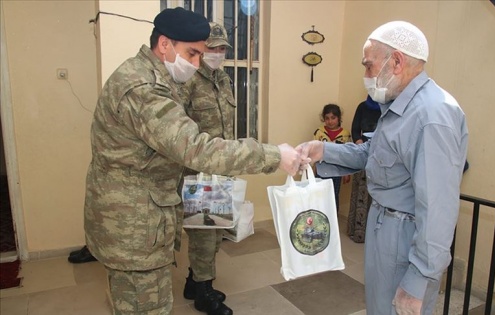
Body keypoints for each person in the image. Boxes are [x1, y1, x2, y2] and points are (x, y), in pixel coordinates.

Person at [83, 8, 300, 315]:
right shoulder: (144, 88)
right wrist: (274, 155)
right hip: (135, 221)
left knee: (210, 237)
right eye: (193, 53)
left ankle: (201, 283)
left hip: (150, 212)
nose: (197, 62)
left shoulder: (154, 76)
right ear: (164, 45)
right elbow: (194, 146)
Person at [297, 21, 468, 315]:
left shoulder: (432, 115)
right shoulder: (398, 105)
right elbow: (370, 153)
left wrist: (418, 279)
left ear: (397, 61)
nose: (365, 75)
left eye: (369, 66)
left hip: (405, 237)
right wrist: (322, 149)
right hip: (384, 226)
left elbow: (438, 208)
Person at [179, 22, 237, 315]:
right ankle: (203, 292)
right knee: (203, 232)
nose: (217, 53)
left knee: (216, 233)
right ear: (202, 49)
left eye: (222, 48)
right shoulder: (188, 79)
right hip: (198, 170)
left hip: (221, 168)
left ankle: (195, 281)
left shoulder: (223, 79)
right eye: (212, 48)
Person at [347, 95, 381, 243]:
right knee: (361, 193)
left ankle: (375, 236)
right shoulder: (362, 107)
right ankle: (358, 232)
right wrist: (361, 145)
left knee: (377, 197)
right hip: (363, 154)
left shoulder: (390, 108)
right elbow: (355, 130)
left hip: (381, 156)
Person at [312, 104, 351, 212]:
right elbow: (313, 152)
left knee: (333, 195)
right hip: (321, 169)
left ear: (339, 118)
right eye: (327, 118)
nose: (330, 121)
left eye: (333, 118)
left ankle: (333, 221)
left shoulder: (345, 134)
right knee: (319, 195)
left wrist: (346, 173)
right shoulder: (319, 133)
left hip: (336, 171)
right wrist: (312, 168)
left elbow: (347, 154)